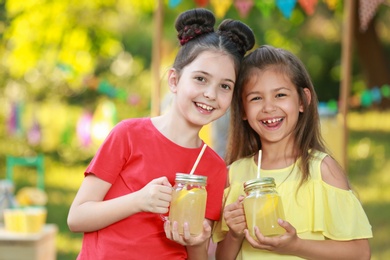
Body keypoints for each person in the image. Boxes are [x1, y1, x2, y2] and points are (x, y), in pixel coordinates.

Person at [67, 8, 255, 260]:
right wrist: (139, 200)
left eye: (224, 86)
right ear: (174, 81)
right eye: (201, 78)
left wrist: (197, 242)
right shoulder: (128, 135)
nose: (211, 93)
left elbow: (199, 255)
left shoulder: (214, 168)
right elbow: (77, 217)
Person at [213, 45, 372, 260]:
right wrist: (233, 234)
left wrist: (295, 246)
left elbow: (360, 253)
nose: (269, 107)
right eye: (256, 98)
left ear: (302, 100)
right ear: (242, 110)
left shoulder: (323, 171)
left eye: (280, 95)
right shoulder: (233, 176)